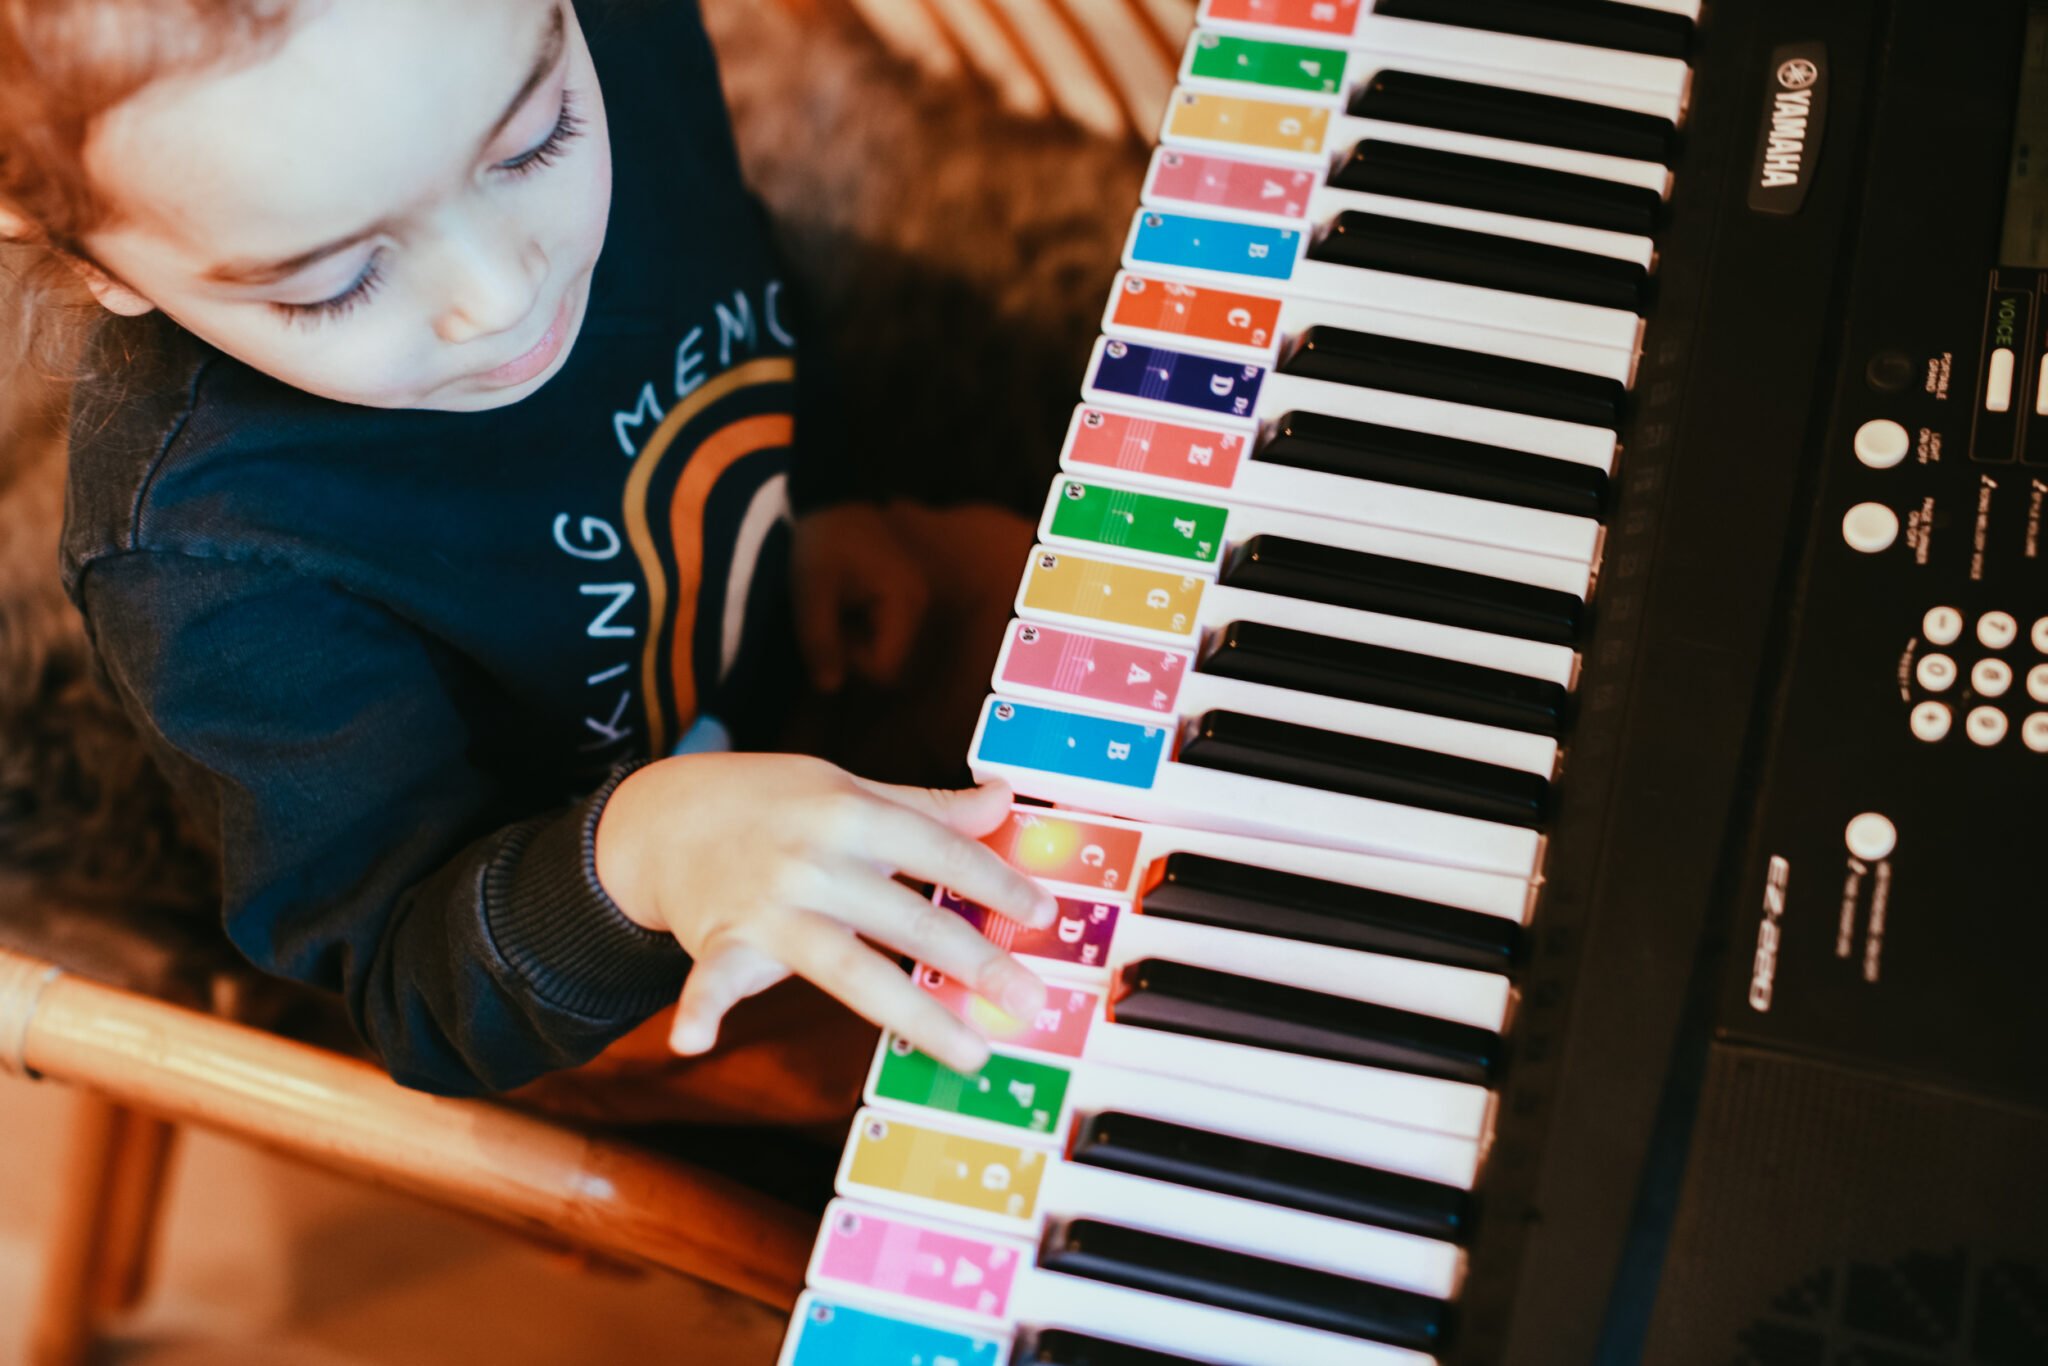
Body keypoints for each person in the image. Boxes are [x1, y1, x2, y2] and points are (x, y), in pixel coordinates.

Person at [0, 0, 1053, 1118]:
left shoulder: (613, 32)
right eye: (333, 284)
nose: (503, 301)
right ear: (76, 246)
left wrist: (822, 499)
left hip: (817, 648)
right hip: (629, 965)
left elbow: (735, 273)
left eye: (535, 142)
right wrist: (637, 860)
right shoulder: (206, 564)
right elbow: (414, 986)